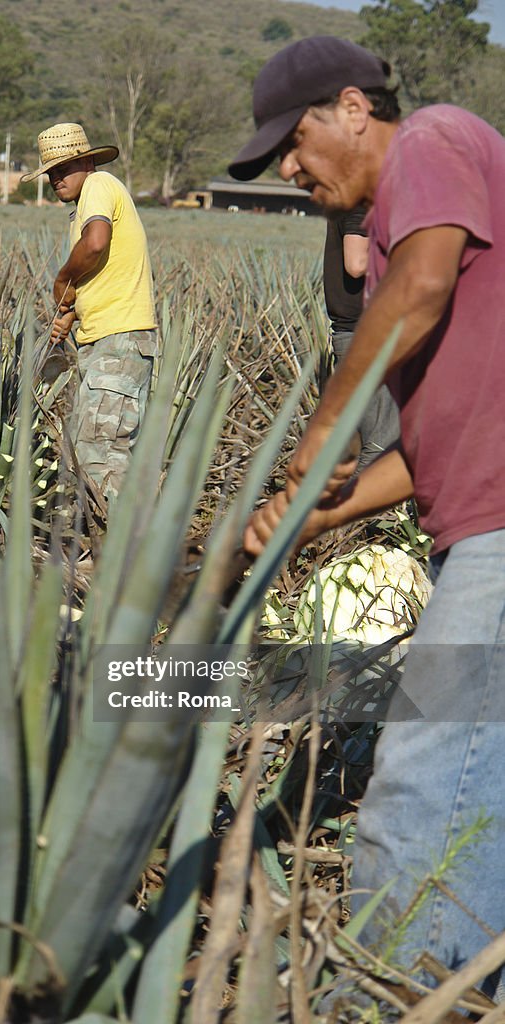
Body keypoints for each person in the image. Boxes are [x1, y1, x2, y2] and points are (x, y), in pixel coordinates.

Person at [229, 35, 505, 998]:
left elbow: (421, 285)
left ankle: (393, 1003)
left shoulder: (431, 137)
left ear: (354, 107)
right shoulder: (397, 237)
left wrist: (324, 422)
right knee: (481, 794)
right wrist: (307, 515)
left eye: (294, 143)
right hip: (479, 525)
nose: (291, 169)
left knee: (425, 783)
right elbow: (424, 461)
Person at [21, 122, 158, 503]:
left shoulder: (99, 185)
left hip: (120, 339)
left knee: (102, 451)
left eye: (63, 169)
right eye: (51, 172)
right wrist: (73, 309)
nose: (55, 179)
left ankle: (131, 554)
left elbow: (96, 244)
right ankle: (112, 553)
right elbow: (109, 271)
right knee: (90, 448)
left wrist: (63, 278)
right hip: (109, 336)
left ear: (86, 162)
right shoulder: (87, 203)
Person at [324, 205, 399, 469]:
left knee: (370, 446)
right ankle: (365, 509)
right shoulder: (363, 204)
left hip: (362, 335)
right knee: (380, 447)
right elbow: (356, 264)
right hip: (367, 336)